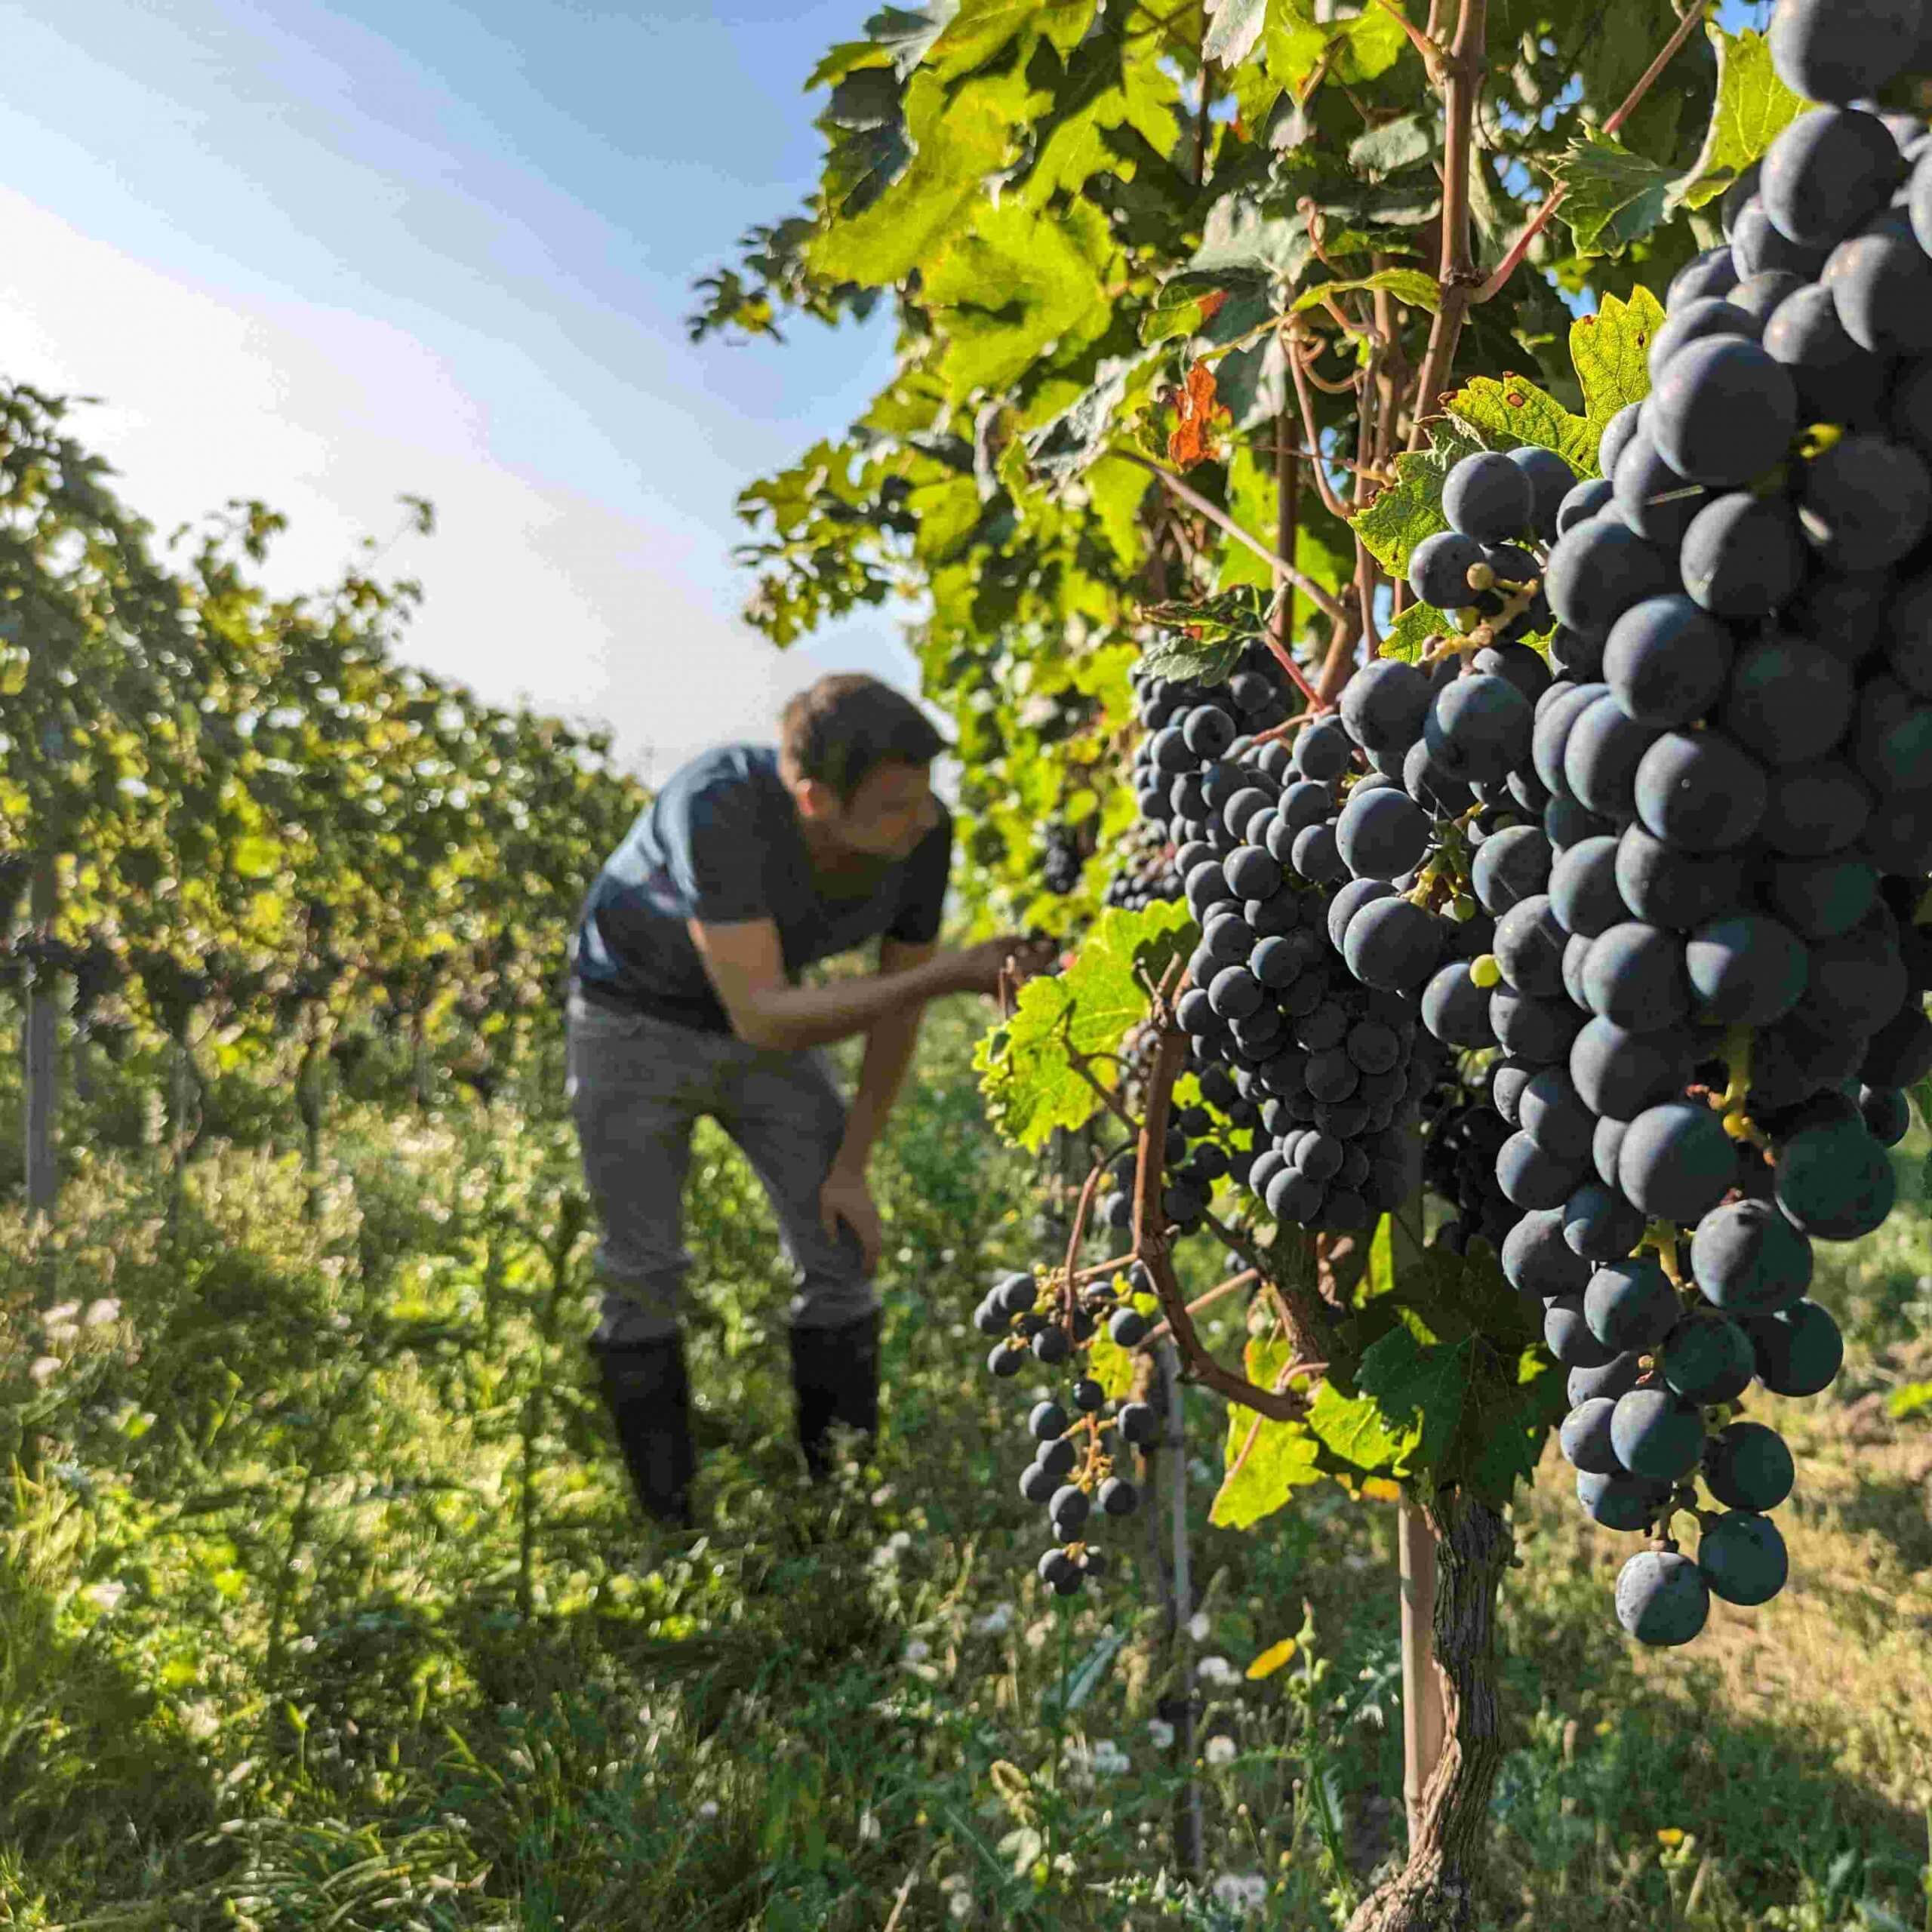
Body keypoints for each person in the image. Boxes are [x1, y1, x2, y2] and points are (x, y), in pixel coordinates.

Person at [565, 672, 1055, 1530]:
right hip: (631, 1023)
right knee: (641, 1273)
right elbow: (762, 1016)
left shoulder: (922, 838)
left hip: (766, 1021)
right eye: (898, 803)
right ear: (813, 798)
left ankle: (843, 1512)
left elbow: (894, 1006)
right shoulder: (718, 807)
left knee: (841, 1252)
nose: (925, 820)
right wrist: (953, 974)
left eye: (925, 798)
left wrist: (853, 1167)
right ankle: (671, 1532)